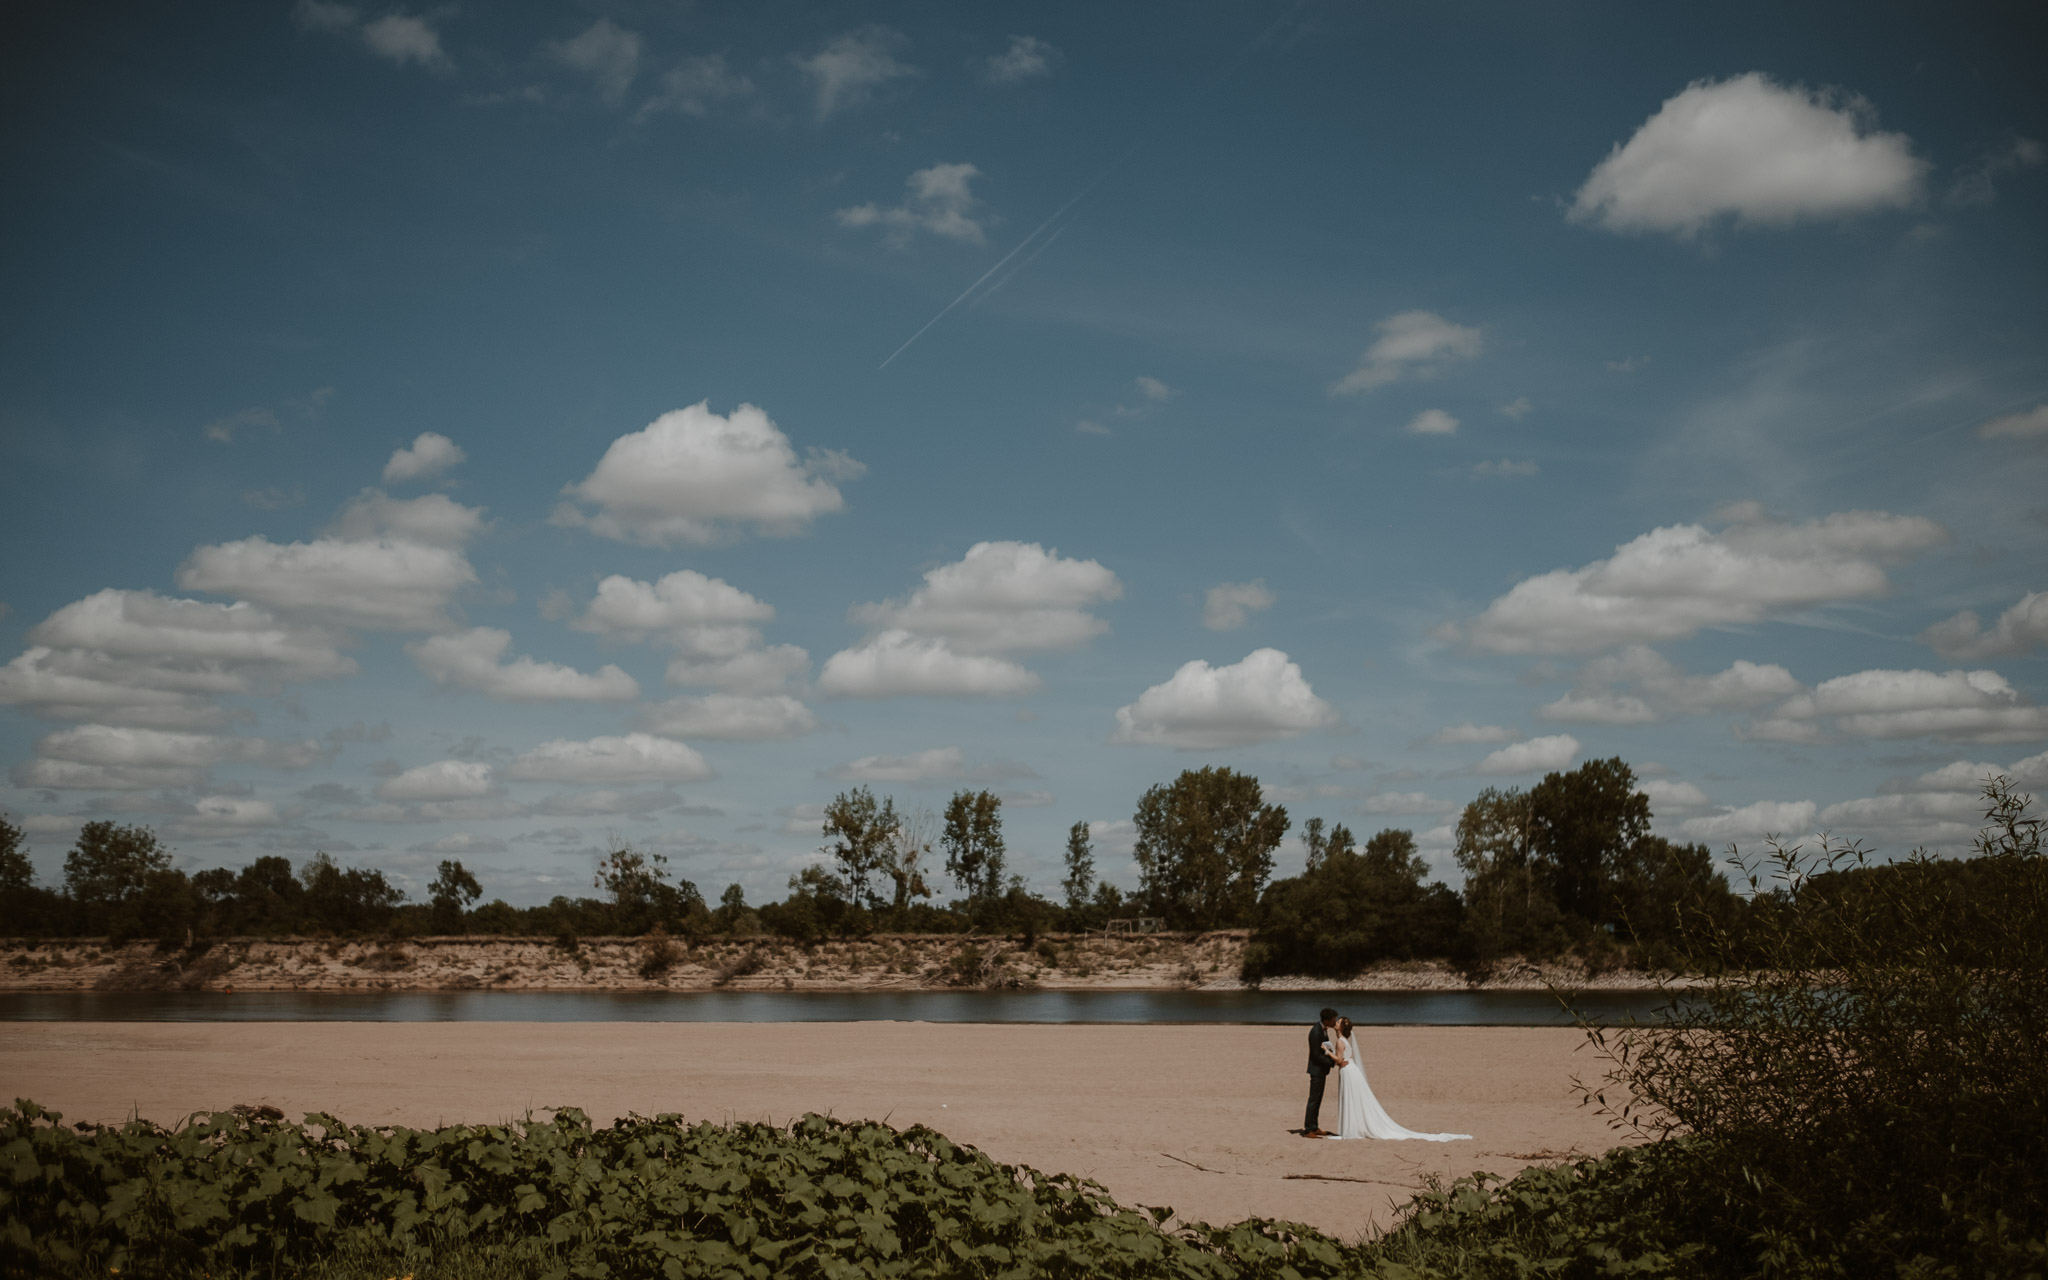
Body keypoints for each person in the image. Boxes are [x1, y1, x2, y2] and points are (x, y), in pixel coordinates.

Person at [1325, 1017, 1471, 1142]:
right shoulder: (1344, 1040)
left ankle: (1352, 1128)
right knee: (1354, 1099)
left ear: (1342, 1027)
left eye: (1338, 1022)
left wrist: (1327, 1052)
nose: (1336, 1023)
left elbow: (1339, 1060)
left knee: (1351, 1099)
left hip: (1348, 1071)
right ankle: (1354, 1127)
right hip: (1351, 1069)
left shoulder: (1340, 1042)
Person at [1302, 1007, 1341, 1136]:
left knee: (1318, 1099)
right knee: (1313, 1099)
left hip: (1321, 1070)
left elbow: (1325, 1049)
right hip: (1316, 1070)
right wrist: (1332, 1062)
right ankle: (1308, 1129)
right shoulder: (1316, 1031)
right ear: (1327, 1020)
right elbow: (1316, 1055)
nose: (1335, 1021)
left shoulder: (1323, 1030)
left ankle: (1314, 1126)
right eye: (1333, 1019)